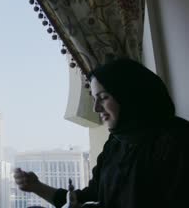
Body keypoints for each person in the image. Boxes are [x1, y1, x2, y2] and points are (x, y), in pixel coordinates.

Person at [14, 58, 189, 208]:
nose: (96, 108)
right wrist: (37, 187)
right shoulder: (116, 144)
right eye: (95, 98)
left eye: (104, 97)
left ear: (129, 94)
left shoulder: (177, 141)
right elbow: (91, 196)